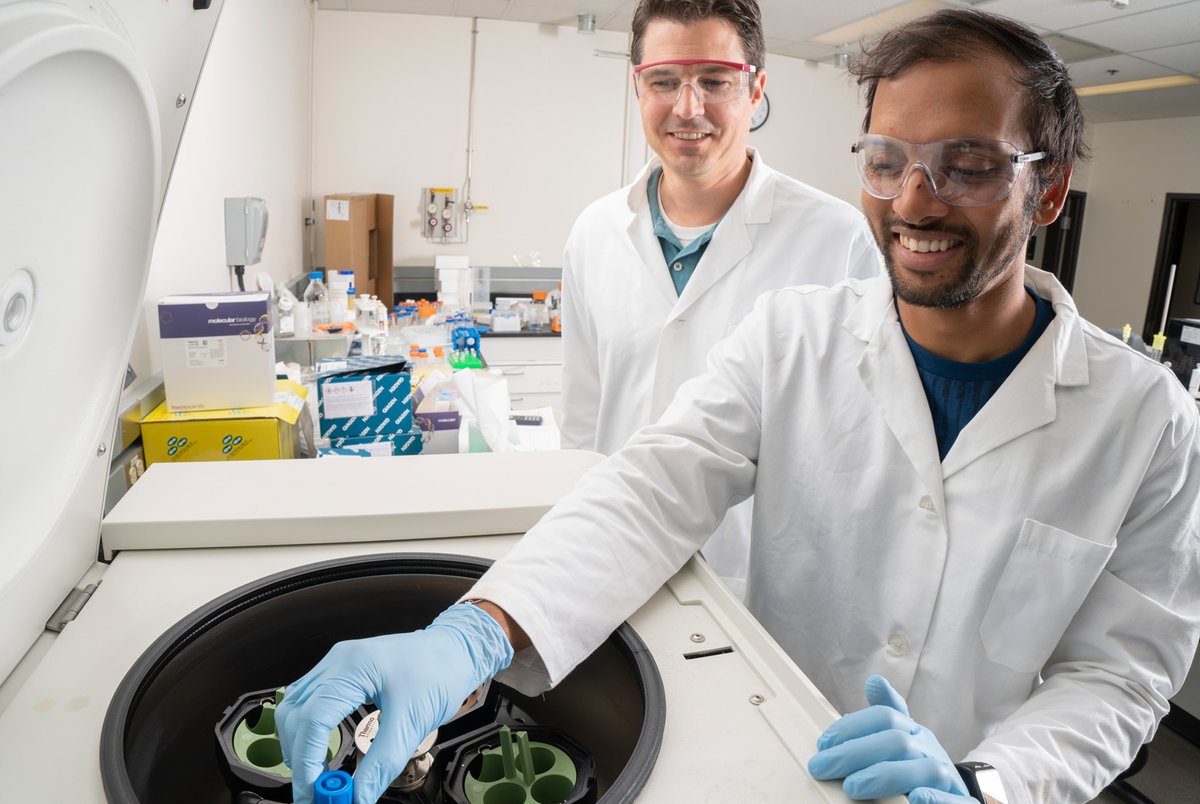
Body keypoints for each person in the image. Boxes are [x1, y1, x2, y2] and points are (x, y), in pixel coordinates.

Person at [276, 9, 1200, 804]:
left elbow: (1118, 674)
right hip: (771, 760)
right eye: (888, 160)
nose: (917, 200)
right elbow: (648, 488)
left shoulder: (1146, 422)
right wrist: (474, 633)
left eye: (968, 166)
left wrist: (987, 781)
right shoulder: (791, 339)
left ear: (1050, 187)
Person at [559, 0, 881, 598]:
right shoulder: (594, 232)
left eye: (715, 81)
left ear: (756, 89)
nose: (689, 107)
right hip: (607, 564)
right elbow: (582, 420)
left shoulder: (837, 239)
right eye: (664, 81)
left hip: (762, 578)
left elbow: (858, 439)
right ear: (638, 88)